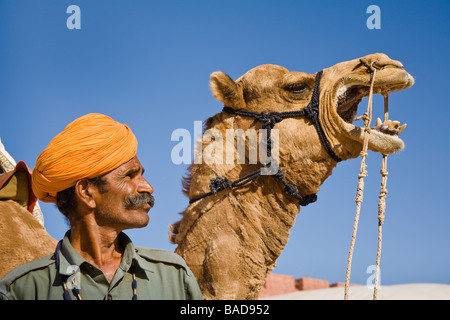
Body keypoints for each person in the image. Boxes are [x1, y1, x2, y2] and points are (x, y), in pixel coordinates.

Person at [0, 113, 203, 300]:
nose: (147, 187)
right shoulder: (23, 290)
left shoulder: (174, 277)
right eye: (130, 176)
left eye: (142, 175)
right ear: (87, 192)